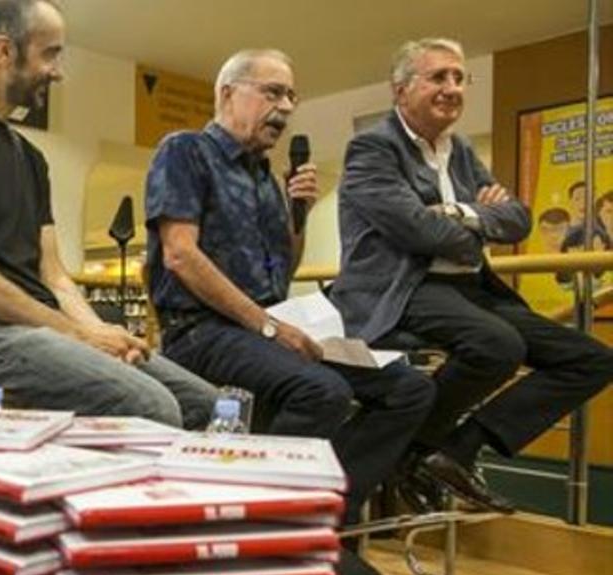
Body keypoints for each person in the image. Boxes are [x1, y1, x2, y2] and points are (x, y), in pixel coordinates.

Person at [143, 48, 440, 523]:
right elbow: (180, 255)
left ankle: (329, 510)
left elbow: (282, 269)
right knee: (321, 392)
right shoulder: (185, 151)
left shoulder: (265, 176)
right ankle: (263, 520)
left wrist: (297, 215)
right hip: (201, 331)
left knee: (409, 389)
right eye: (272, 92)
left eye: (291, 96)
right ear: (227, 93)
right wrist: (267, 327)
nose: (284, 106)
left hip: (263, 325)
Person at [0, 0, 217, 428]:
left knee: (208, 405)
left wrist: (100, 334)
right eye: (50, 53)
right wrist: (81, 334)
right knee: (153, 406)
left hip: (41, 332)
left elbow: (55, 275)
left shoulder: (31, 158)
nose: (58, 70)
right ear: (5, 51)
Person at [332, 38, 613, 511]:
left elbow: (519, 219)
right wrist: (477, 227)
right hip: (404, 288)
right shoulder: (372, 149)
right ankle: (413, 451)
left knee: (590, 359)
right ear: (400, 91)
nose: (453, 87)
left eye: (460, 77)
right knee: (497, 344)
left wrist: (457, 213)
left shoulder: (459, 151)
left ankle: (451, 451)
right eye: (438, 77)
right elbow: (418, 232)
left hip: (470, 288)